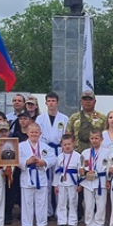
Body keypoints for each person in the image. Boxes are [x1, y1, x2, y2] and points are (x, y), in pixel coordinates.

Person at [37, 91, 69, 219]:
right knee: (47, 183)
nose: (51, 103)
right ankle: (48, 211)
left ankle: (59, 211)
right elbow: (37, 136)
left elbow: (66, 136)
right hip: (45, 151)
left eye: (53, 101)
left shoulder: (64, 118)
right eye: (49, 101)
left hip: (59, 150)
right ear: (45, 103)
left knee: (59, 182)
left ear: (57, 103)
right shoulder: (40, 119)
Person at [18, 122, 54, 226]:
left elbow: (53, 158)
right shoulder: (20, 146)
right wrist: (26, 162)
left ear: (40, 133)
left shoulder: (45, 147)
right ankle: (27, 224)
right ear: (27, 133)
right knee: (27, 202)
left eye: (36, 132)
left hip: (41, 177)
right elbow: (15, 159)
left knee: (41, 201)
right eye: (32, 132)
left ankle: (41, 223)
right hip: (27, 176)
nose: (34, 134)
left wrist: (43, 162)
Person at [79, 129, 112, 226]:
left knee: (101, 205)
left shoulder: (107, 152)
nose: (94, 140)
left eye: (96, 138)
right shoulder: (85, 153)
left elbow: (109, 167)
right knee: (88, 205)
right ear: (89, 139)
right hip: (88, 182)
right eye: (92, 138)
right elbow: (80, 167)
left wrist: (108, 179)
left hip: (101, 182)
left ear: (101, 139)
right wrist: (83, 172)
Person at [53, 133, 81, 226]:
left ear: (73, 144)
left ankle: (72, 223)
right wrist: (55, 185)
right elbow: (56, 171)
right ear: (61, 145)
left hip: (73, 182)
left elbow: (80, 171)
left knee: (73, 202)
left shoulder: (78, 156)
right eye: (65, 144)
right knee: (61, 202)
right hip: (61, 182)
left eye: (69, 144)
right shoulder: (59, 157)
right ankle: (61, 222)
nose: (67, 146)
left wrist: (80, 184)